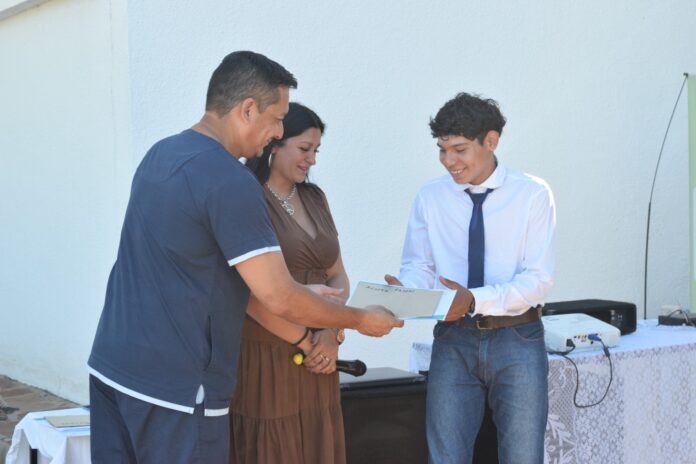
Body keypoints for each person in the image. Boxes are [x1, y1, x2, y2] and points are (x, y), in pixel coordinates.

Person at [87, 51, 403, 464]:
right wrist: (360, 319)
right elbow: (277, 296)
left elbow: (188, 265)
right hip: (178, 390)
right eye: (277, 118)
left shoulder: (160, 153)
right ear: (248, 109)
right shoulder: (229, 179)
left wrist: (308, 298)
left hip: (114, 368)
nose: (278, 132)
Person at [386, 92, 555, 463]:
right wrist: (406, 291)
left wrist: (475, 300)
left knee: (523, 457)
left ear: (491, 141)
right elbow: (419, 265)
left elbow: (538, 280)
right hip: (453, 338)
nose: (449, 161)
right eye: (442, 150)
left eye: (459, 150)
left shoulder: (532, 194)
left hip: (518, 339)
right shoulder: (430, 196)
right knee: (445, 456)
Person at [230, 102, 348, 464]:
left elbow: (337, 273)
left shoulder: (315, 198)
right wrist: (308, 340)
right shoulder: (247, 198)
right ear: (275, 145)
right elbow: (247, 290)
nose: (311, 160)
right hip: (267, 350)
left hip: (321, 356)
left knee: (316, 444)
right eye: (304, 149)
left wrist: (330, 334)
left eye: (316, 151)